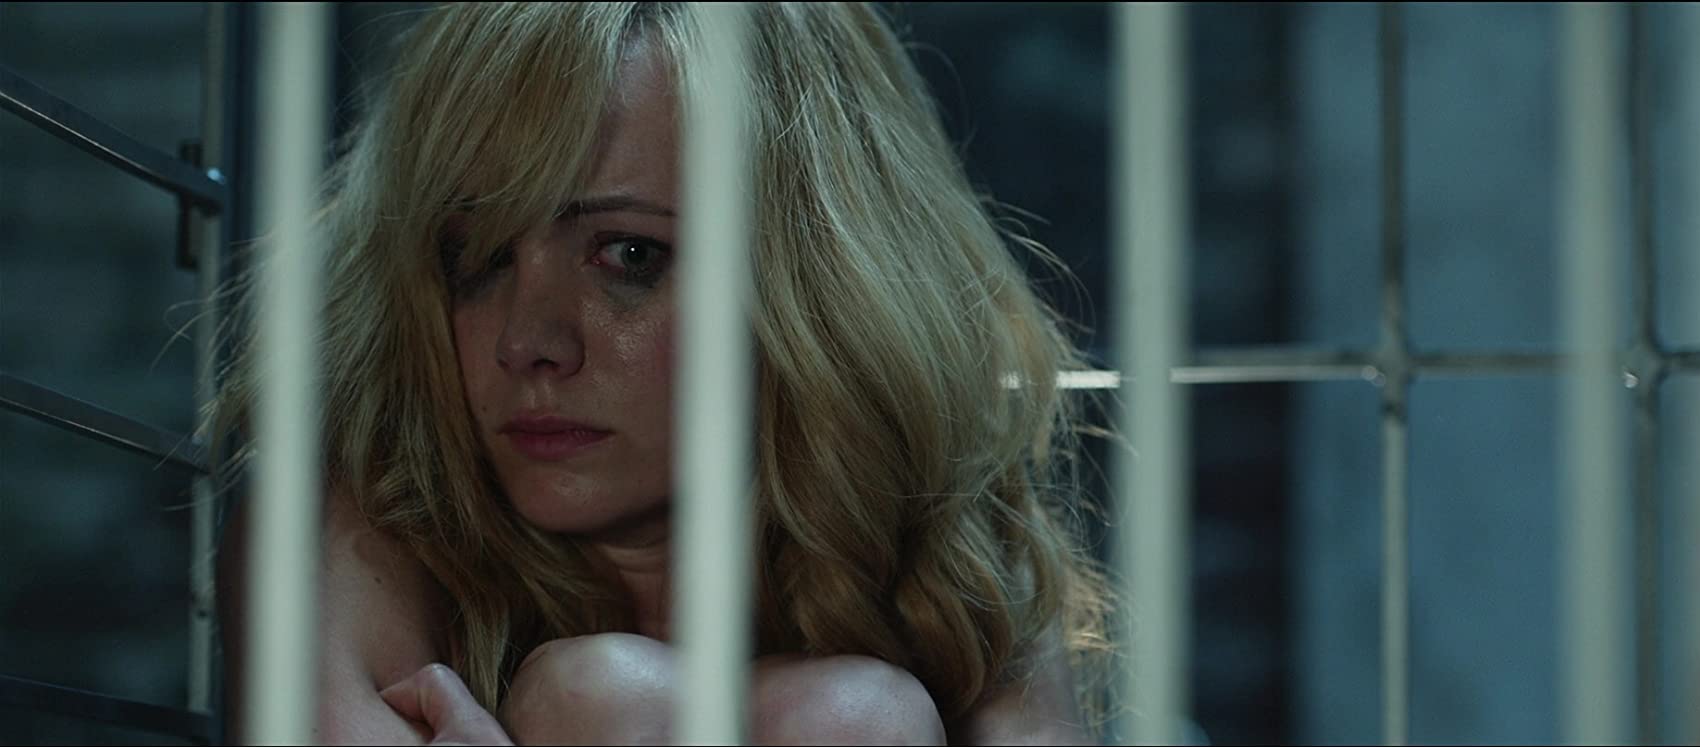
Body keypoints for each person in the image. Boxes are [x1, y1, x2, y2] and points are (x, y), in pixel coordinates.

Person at [207, 2, 1116, 744]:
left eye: (628, 254)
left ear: (816, 280)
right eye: (476, 258)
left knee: (853, 714)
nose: (528, 341)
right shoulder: (354, 525)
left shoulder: (951, 544)